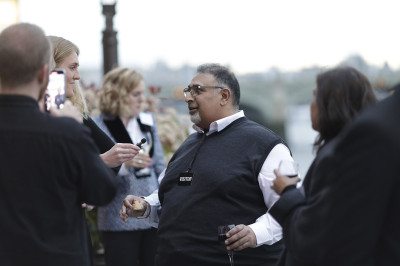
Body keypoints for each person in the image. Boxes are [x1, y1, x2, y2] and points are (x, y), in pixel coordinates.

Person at [121, 63, 295, 266]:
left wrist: (255, 232)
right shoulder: (188, 144)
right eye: (188, 90)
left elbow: (289, 208)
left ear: (224, 96)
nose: (187, 97)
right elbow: (168, 199)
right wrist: (144, 206)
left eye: (198, 90)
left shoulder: (265, 145)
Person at [0, 23, 118, 266]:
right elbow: (103, 190)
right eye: (72, 68)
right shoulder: (65, 130)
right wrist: (73, 129)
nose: (76, 75)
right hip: (59, 254)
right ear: (45, 74)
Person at [267, 67, 400, 266]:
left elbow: (316, 238)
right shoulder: (362, 148)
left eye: (315, 96)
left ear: (329, 105)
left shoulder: (336, 157)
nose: (311, 104)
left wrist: (287, 192)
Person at [92, 67, 165, 266]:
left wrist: (165, 202)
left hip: (150, 211)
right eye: (136, 94)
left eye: (143, 93)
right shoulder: (98, 125)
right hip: (117, 217)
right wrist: (123, 165)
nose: (142, 99)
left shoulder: (147, 121)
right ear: (117, 95)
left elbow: (159, 165)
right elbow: (94, 171)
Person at [47, 36, 139, 174]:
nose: (77, 76)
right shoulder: (33, 117)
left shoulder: (74, 113)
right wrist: (101, 161)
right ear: (50, 69)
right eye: (72, 67)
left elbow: (111, 158)